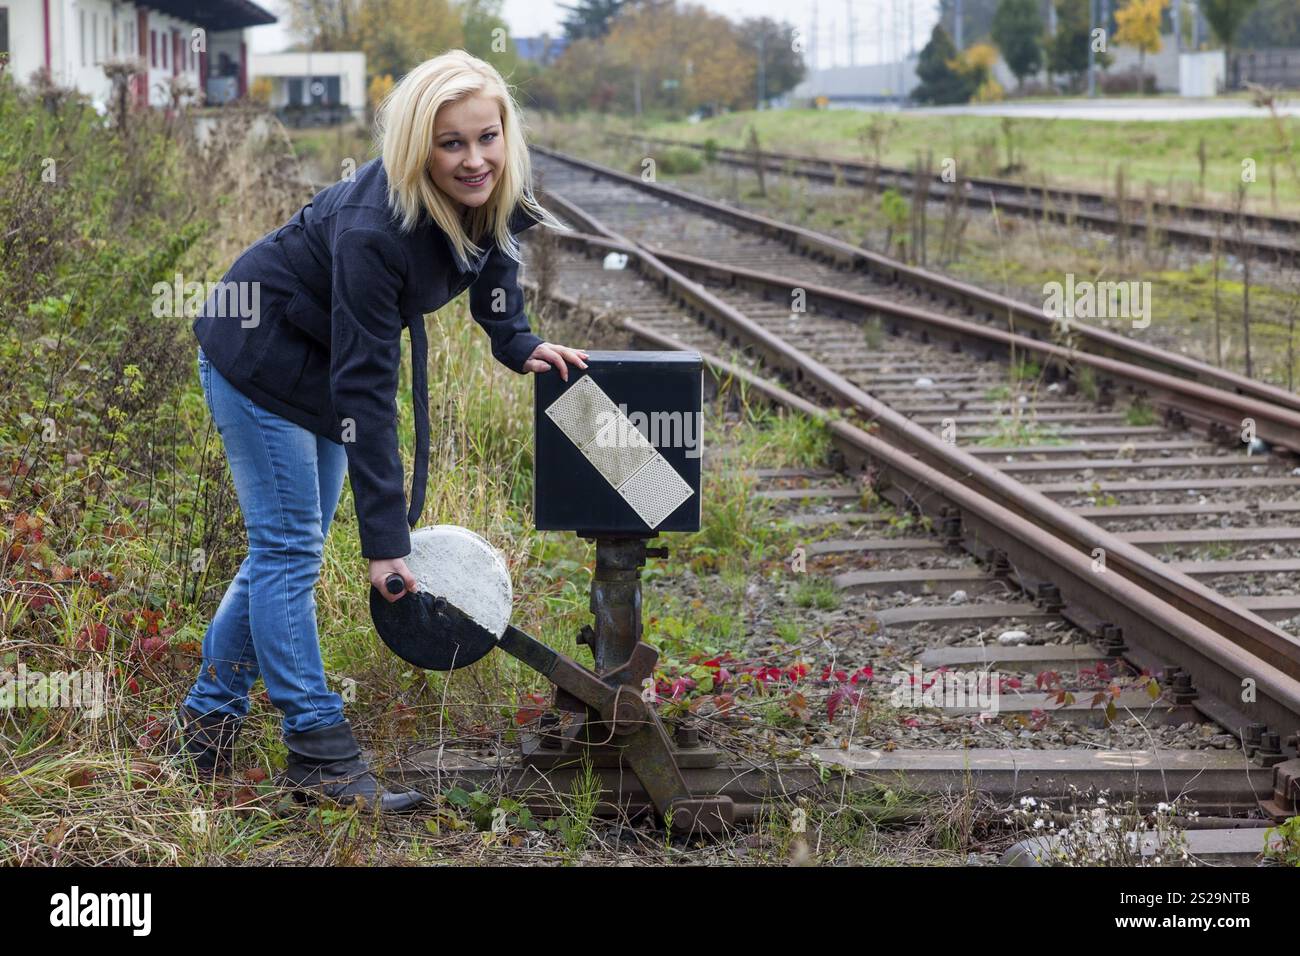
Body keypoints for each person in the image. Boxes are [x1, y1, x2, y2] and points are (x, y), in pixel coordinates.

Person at [170, 50, 587, 812]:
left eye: (486, 137)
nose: (474, 160)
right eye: (450, 143)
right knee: (289, 548)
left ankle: (205, 724)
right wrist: (387, 544)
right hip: (259, 355)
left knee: (282, 548)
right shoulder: (375, 226)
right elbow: (367, 385)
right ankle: (319, 754)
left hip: (319, 363)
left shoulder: (496, 182)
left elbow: (496, 260)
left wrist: (515, 341)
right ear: (418, 147)